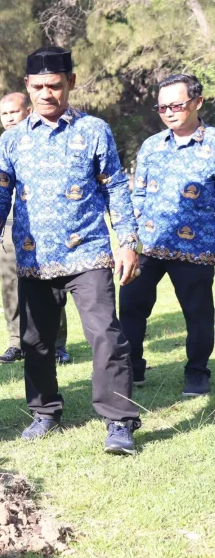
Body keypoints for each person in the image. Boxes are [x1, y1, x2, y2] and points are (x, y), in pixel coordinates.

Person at [0, 47, 142, 455]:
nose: (47, 93)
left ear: (71, 81)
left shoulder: (95, 131)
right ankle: (45, 411)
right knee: (36, 341)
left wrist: (128, 241)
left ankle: (119, 422)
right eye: (38, 87)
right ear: (27, 87)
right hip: (33, 258)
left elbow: (115, 187)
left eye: (55, 85)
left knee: (105, 334)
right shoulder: (11, 142)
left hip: (88, 253)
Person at [120, 73, 214, 398]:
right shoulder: (151, 147)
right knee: (131, 306)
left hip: (197, 250)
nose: (169, 112)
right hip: (149, 246)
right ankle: (133, 368)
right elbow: (138, 197)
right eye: (162, 108)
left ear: (197, 102)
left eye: (177, 104)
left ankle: (197, 372)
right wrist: (129, 241)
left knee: (198, 314)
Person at [0, 93, 72, 366]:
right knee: (10, 287)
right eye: (4, 114)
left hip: (42, 227)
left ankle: (57, 344)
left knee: (51, 282)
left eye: (13, 113)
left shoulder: (44, 140)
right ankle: (16, 343)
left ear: (28, 111)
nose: (8, 119)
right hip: (7, 227)